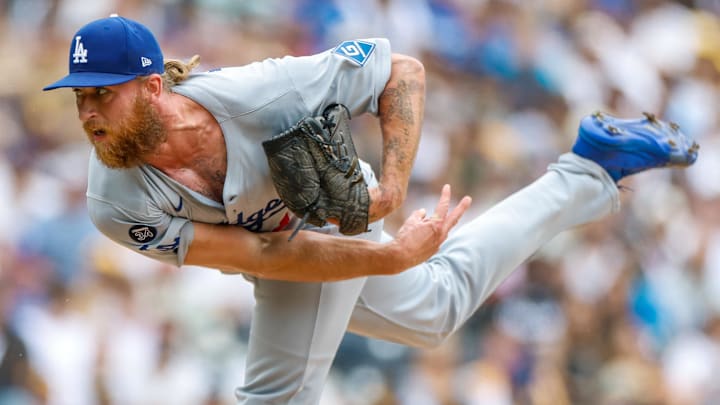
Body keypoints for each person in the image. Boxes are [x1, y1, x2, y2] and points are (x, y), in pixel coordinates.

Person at [43, 15, 698, 404]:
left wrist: (388, 191)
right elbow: (261, 255)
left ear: (154, 87)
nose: (88, 111)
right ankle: (588, 170)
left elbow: (401, 70)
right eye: (80, 98)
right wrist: (388, 255)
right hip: (284, 243)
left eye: (103, 93)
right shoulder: (114, 199)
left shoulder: (260, 95)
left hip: (328, 208)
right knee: (437, 306)